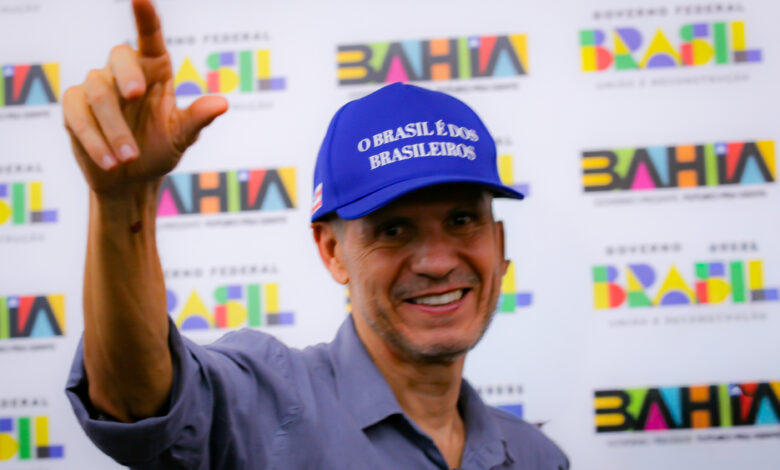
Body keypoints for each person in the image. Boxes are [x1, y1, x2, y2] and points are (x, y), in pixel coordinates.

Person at [63, 1, 569, 468]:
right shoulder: (268, 408)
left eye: (461, 220)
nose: (437, 261)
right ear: (332, 252)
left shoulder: (537, 457)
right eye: (394, 229)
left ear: (499, 244)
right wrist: (122, 202)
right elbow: (137, 399)